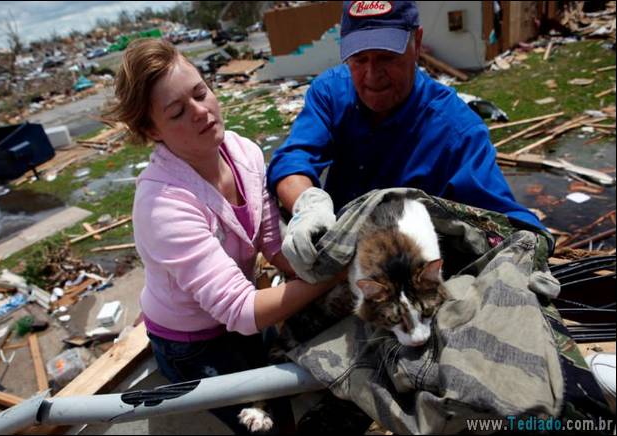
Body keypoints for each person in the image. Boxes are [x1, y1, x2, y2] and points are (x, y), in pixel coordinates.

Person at [103, 38, 344, 434]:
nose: (201, 112)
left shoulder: (243, 152)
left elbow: (270, 241)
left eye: (201, 93)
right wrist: (330, 277)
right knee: (270, 426)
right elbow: (243, 311)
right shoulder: (163, 204)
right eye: (178, 111)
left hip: (239, 321)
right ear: (152, 129)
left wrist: (315, 263)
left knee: (296, 373)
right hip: (192, 343)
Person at [267, 0, 548, 248]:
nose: (372, 75)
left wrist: (529, 244)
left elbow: (506, 223)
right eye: (359, 59)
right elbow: (293, 159)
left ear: (417, 44)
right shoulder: (331, 92)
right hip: (338, 259)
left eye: (387, 57)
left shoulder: (457, 131)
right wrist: (309, 208)